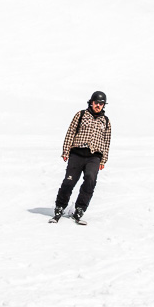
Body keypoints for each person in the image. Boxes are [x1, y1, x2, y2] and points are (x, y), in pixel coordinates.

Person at [51, 91, 112, 225]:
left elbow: (106, 142)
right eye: (96, 103)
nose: (98, 106)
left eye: (101, 104)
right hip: (77, 154)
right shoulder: (81, 115)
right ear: (91, 102)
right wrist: (66, 151)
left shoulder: (106, 121)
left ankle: (80, 208)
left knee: (90, 180)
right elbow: (71, 132)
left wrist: (103, 160)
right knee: (69, 181)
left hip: (94, 157)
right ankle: (60, 206)